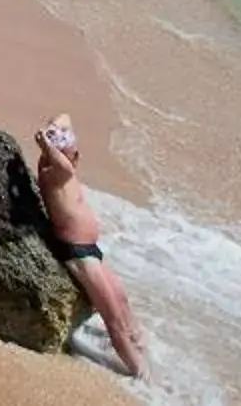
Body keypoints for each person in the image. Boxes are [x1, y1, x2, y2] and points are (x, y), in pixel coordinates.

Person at [33, 114, 147, 378]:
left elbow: (65, 116)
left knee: (122, 298)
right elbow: (65, 167)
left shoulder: (65, 166)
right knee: (113, 317)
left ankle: (141, 345)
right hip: (78, 253)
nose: (77, 155)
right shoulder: (52, 172)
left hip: (91, 249)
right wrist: (46, 145)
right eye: (72, 152)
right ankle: (140, 374)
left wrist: (51, 130)